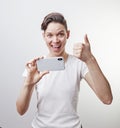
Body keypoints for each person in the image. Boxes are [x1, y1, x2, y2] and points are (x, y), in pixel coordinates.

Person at [16, 12, 113, 128]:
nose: (55, 40)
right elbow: (21, 111)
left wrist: (90, 59)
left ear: (68, 34)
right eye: (50, 35)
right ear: (44, 36)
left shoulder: (79, 63)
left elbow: (107, 99)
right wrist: (28, 83)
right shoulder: (35, 67)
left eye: (60, 34)